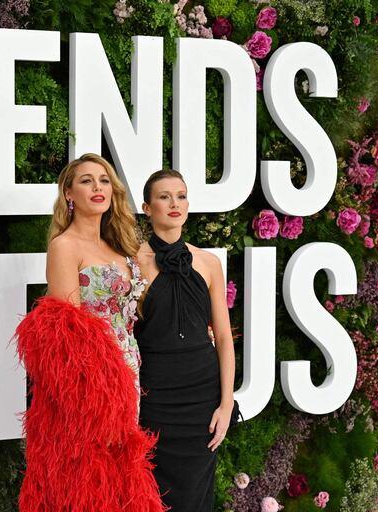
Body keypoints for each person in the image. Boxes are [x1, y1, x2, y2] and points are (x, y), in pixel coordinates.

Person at [15, 153, 167, 511]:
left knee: (117, 477)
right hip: (92, 382)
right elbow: (64, 332)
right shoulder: (64, 246)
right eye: (86, 180)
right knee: (87, 474)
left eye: (103, 180)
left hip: (129, 369)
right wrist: (97, 390)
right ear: (69, 193)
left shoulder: (120, 247)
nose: (97, 187)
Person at [134, 169, 237, 511]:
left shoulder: (209, 262)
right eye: (164, 197)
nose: (174, 203)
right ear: (147, 208)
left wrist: (226, 404)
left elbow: (223, 337)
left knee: (196, 495)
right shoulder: (130, 263)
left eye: (181, 195)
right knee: (151, 494)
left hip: (203, 397)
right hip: (154, 396)